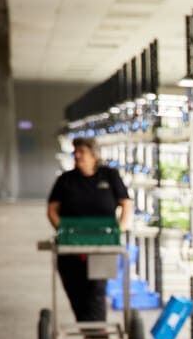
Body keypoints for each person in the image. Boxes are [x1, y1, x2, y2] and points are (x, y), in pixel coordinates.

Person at [46, 137, 132, 328]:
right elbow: (52, 209)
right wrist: (63, 230)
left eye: (81, 152)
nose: (77, 155)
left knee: (96, 287)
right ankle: (89, 326)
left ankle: (95, 329)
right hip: (71, 245)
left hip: (102, 243)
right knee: (75, 288)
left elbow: (126, 203)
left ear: (94, 155)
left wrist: (121, 227)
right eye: (75, 152)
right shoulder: (65, 180)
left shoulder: (109, 176)